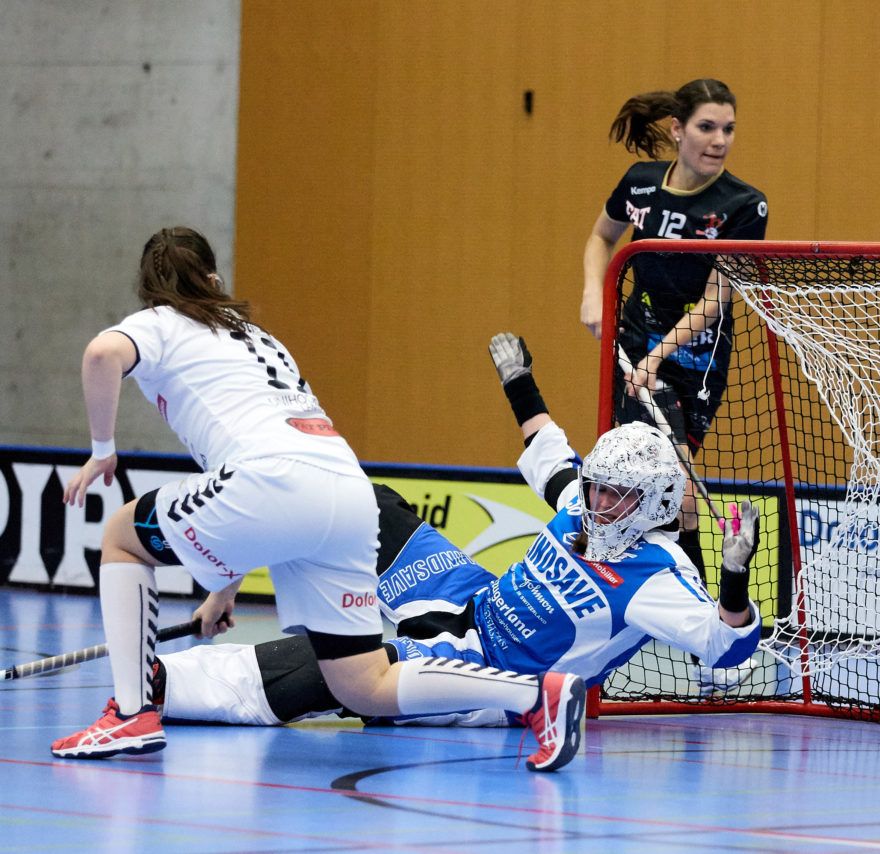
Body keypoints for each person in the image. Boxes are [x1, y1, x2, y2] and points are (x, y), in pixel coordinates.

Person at [51, 228, 585, 772]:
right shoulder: (258, 338)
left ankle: (130, 714)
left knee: (122, 537)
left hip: (274, 482)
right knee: (364, 684)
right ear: (213, 279)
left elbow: (101, 354)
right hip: (348, 492)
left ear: (151, 292)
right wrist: (224, 592)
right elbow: (257, 491)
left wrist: (102, 451)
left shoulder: (160, 320)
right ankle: (533, 694)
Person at [128, 333, 764, 728]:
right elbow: (548, 451)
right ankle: (255, 590)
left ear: (651, 503)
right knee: (360, 505)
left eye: (614, 494)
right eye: (594, 485)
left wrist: (733, 582)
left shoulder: (657, 576)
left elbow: (725, 647)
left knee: (338, 672)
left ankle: (165, 683)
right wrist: (520, 381)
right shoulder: (583, 508)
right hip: (466, 598)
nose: (595, 501)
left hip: (481, 673)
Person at [580, 78, 768, 584]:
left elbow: (715, 301)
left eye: (728, 129)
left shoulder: (744, 206)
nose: (720, 140)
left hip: (696, 360)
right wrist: (593, 293)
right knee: (675, 495)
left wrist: (658, 356)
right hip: (636, 343)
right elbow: (602, 236)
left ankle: (699, 617)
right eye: (707, 127)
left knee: (676, 503)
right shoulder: (641, 182)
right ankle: (706, 623)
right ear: (677, 129)